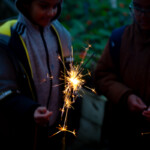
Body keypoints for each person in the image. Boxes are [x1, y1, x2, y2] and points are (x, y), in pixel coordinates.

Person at [0, 0, 77, 150]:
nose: (52, 12)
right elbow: (3, 88)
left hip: (55, 128)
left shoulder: (61, 34)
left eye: (56, 6)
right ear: (25, 4)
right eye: (44, 6)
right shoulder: (8, 38)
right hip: (21, 130)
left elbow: (70, 75)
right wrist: (30, 110)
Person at [94, 0, 150, 149]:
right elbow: (101, 75)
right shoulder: (119, 38)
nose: (143, 15)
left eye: (149, 9)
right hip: (121, 132)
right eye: (138, 8)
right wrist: (125, 96)